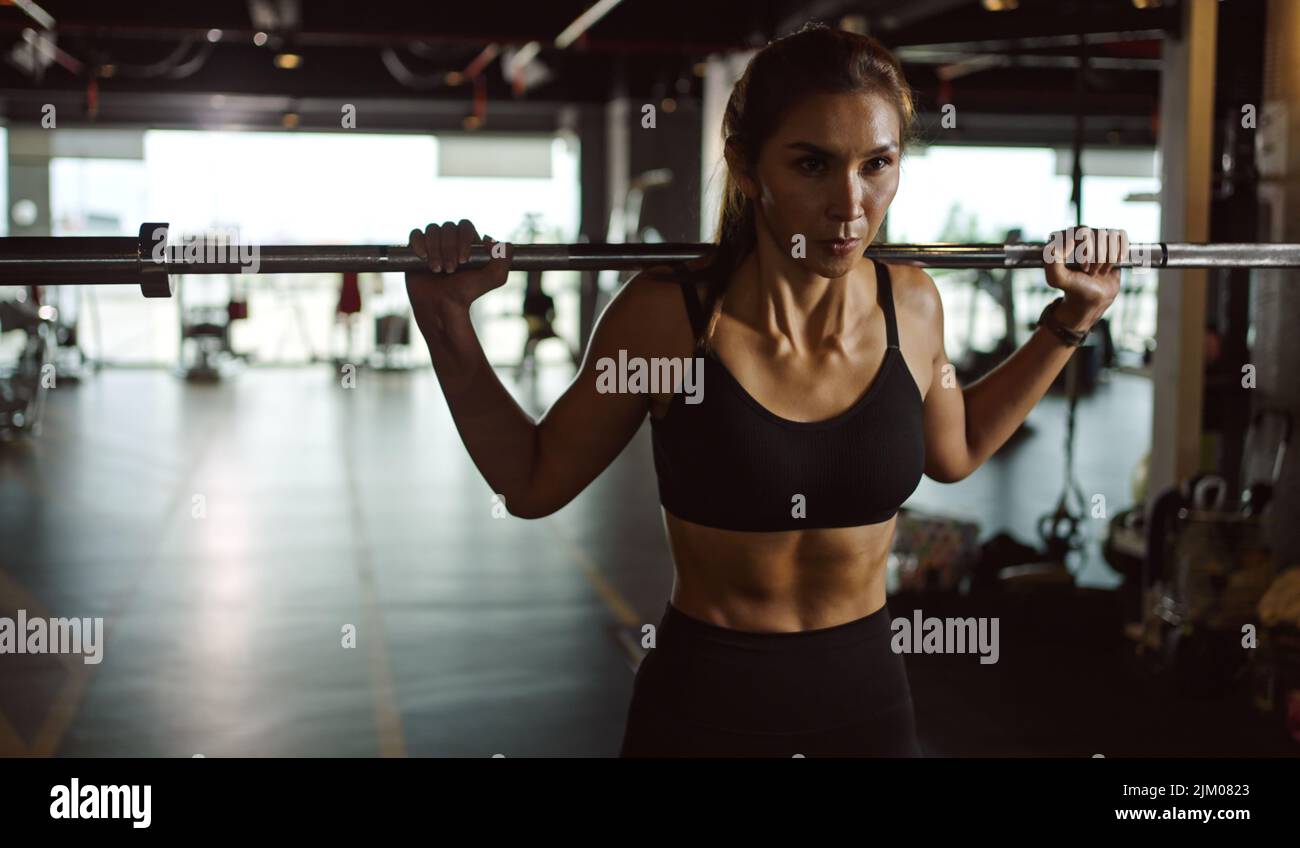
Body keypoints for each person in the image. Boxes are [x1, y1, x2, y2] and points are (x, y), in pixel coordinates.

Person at [403, 22, 1124, 757]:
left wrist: (1070, 319)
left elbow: (957, 448)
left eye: (878, 163)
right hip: (705, 711)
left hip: (867, 708)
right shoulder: (668, 319)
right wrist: (445, 321)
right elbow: (531, 483)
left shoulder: (911, 304)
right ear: (748, 168)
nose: (851, 204)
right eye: (814, 165)